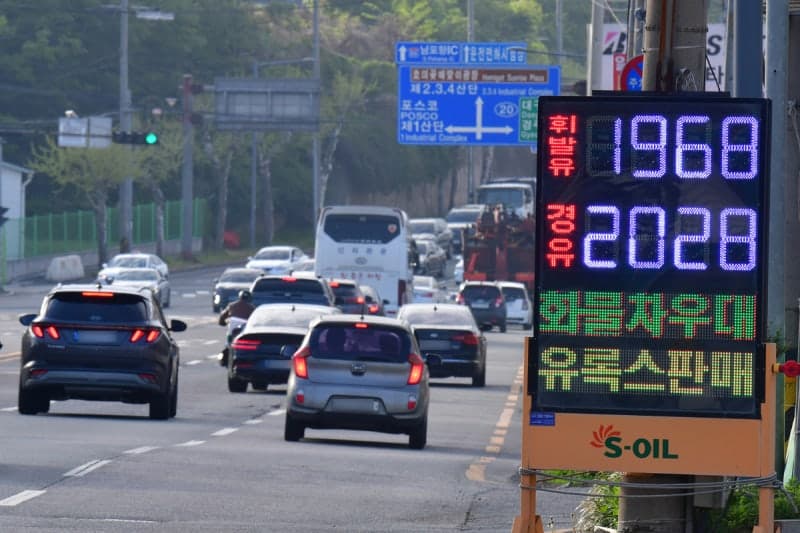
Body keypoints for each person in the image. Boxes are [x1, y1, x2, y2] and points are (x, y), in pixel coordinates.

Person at [218, 290, 256, 366]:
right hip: (244, 328)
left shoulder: (231, 305)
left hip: (233, 327)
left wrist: (223, 322)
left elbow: (222, 317)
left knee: (229, 342)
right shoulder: (252, 308)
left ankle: (227, 353)